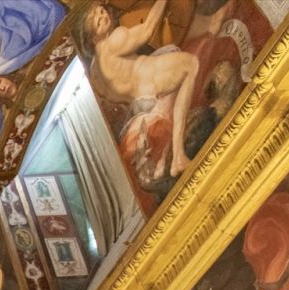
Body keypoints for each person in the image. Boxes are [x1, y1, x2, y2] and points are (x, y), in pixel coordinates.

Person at [77, 1, 200, 177]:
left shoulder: (94, 73)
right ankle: (178, 155)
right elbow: (148, 28)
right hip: (152, 82)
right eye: (98, 21)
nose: (104, 16)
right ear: (93, 38)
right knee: (191, 64)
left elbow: (113, 99)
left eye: (101, 11)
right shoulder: (113, 40)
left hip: (138, 105)